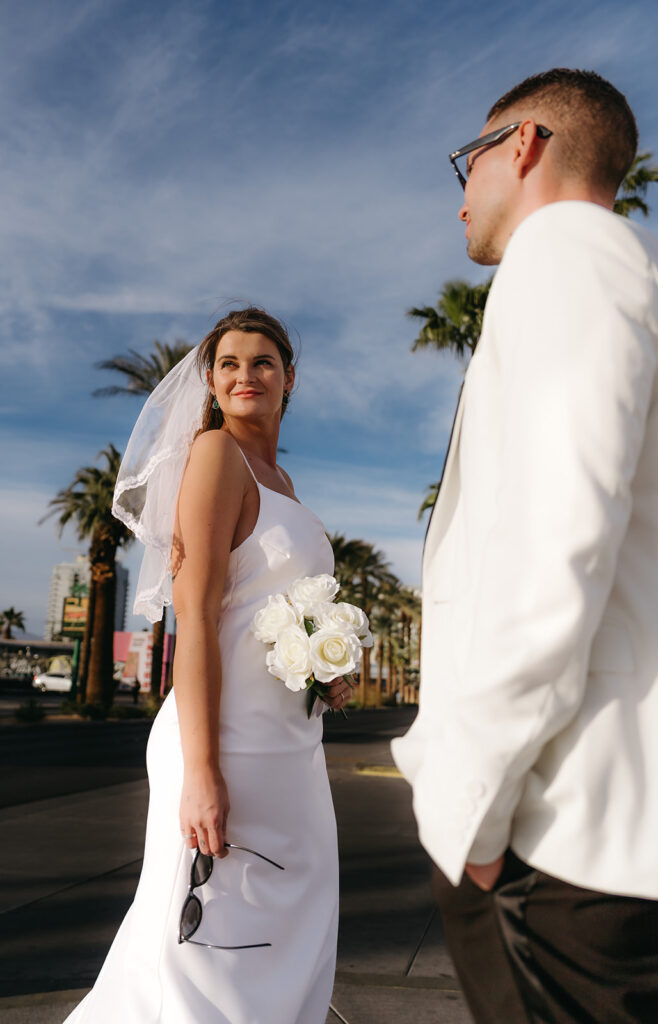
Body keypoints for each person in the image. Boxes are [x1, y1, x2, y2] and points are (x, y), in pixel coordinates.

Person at [392, 69, 658, 1023]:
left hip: (567, 837)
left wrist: (472, 806)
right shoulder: (655, 269)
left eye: (463, 161)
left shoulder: (565, 252)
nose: (459, 192)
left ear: (521, 145)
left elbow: (554, 541)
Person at [64, 306, 353, 1024]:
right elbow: (195, 611)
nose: (245, 375)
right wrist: (201, 772)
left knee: (294, 927)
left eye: (262, 362)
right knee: (207, 948)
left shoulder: (282, 483)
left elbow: (273, 609)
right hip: (224, 744)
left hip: (292, 752)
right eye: (228, 363)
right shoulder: (215, 455)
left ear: (290, 378)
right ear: (210, 381)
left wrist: (324, 666)